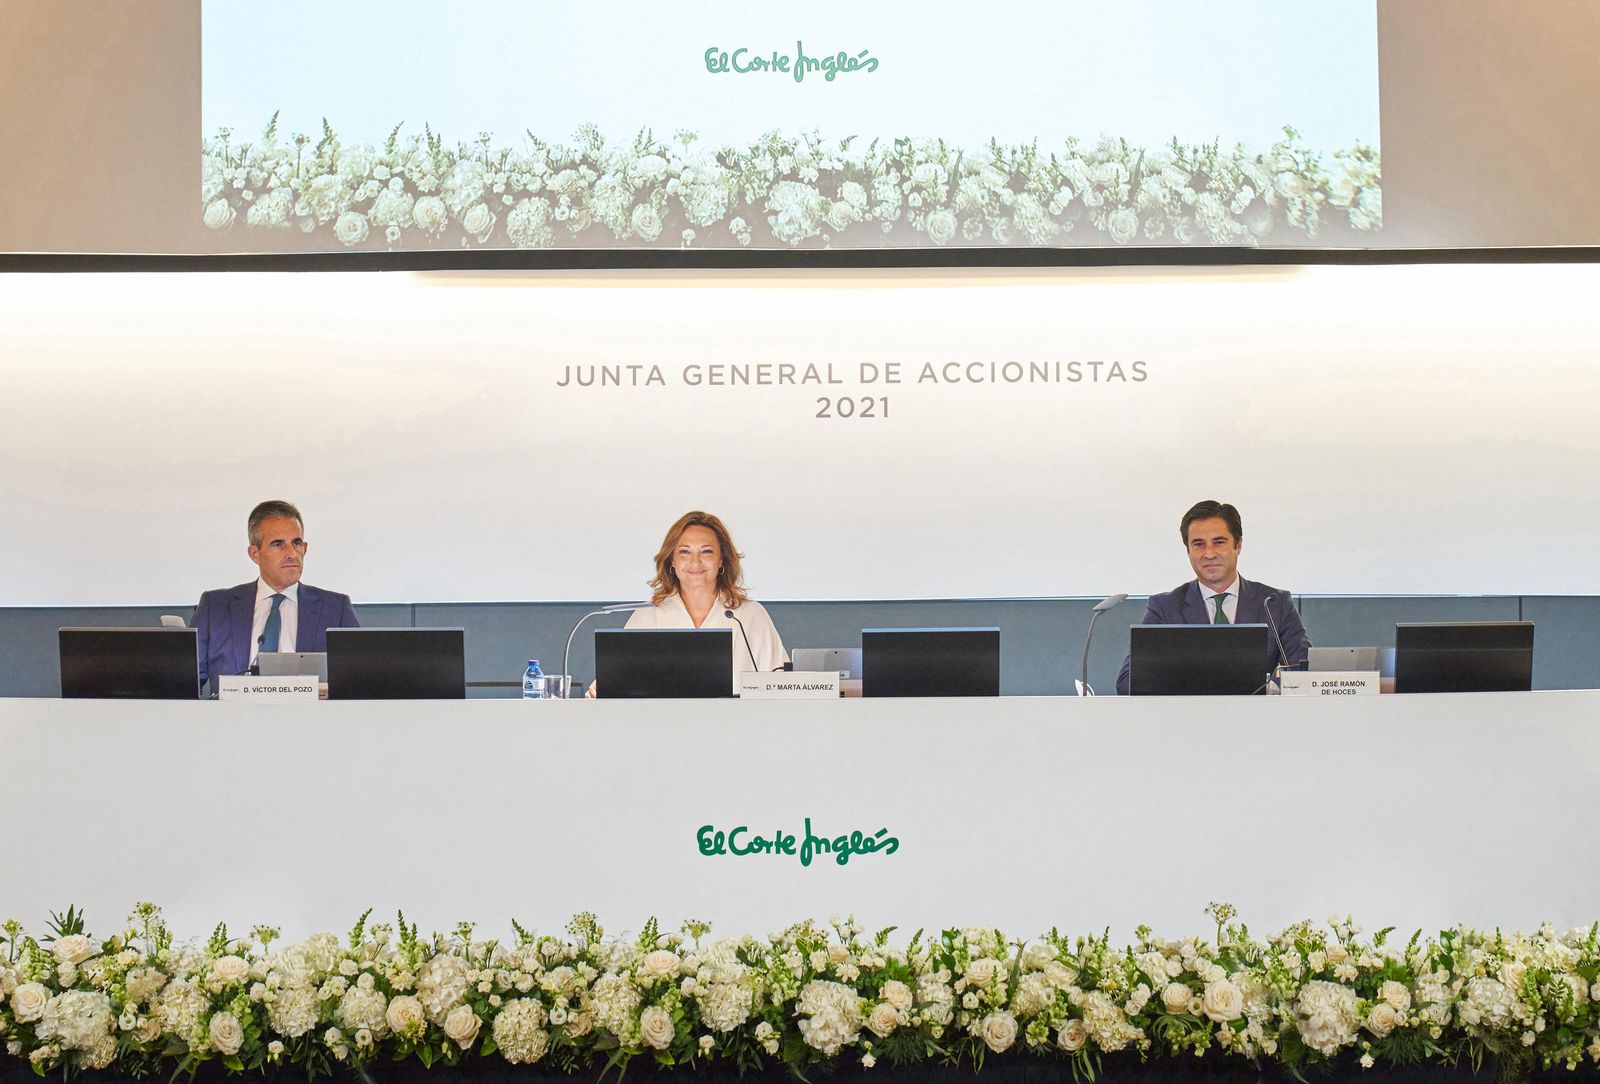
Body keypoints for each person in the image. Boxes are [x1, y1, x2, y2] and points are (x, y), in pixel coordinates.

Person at [1115, 500, 1310, 695]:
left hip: (1260, 720)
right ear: (1188, 551)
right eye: (1199, 545)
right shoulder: (1165, 608)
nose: (1209, 554)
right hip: (1187, 721)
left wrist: (1267, 691)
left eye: (1219, 542)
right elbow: (1127, 683)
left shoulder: (1275, 603)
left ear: (1238, 545)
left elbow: (1303, 669)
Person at [592, 510, 788, 695]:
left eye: (706, 552)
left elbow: (782, 686)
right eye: (685, 552)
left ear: (722, 560)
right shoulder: (648, 615)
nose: (695, 562)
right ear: (672, 560)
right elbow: (614, 686)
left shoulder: (750, 614)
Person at [191, 500, 358, 695]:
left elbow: (357, 684)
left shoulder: (336, 609)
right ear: (255, 554)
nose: (291, 553)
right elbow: (184, 684)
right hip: (233, 721)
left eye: (296, 543)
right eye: (278, 544)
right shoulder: (216, 607)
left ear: (305, 548)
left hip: (310, 721)